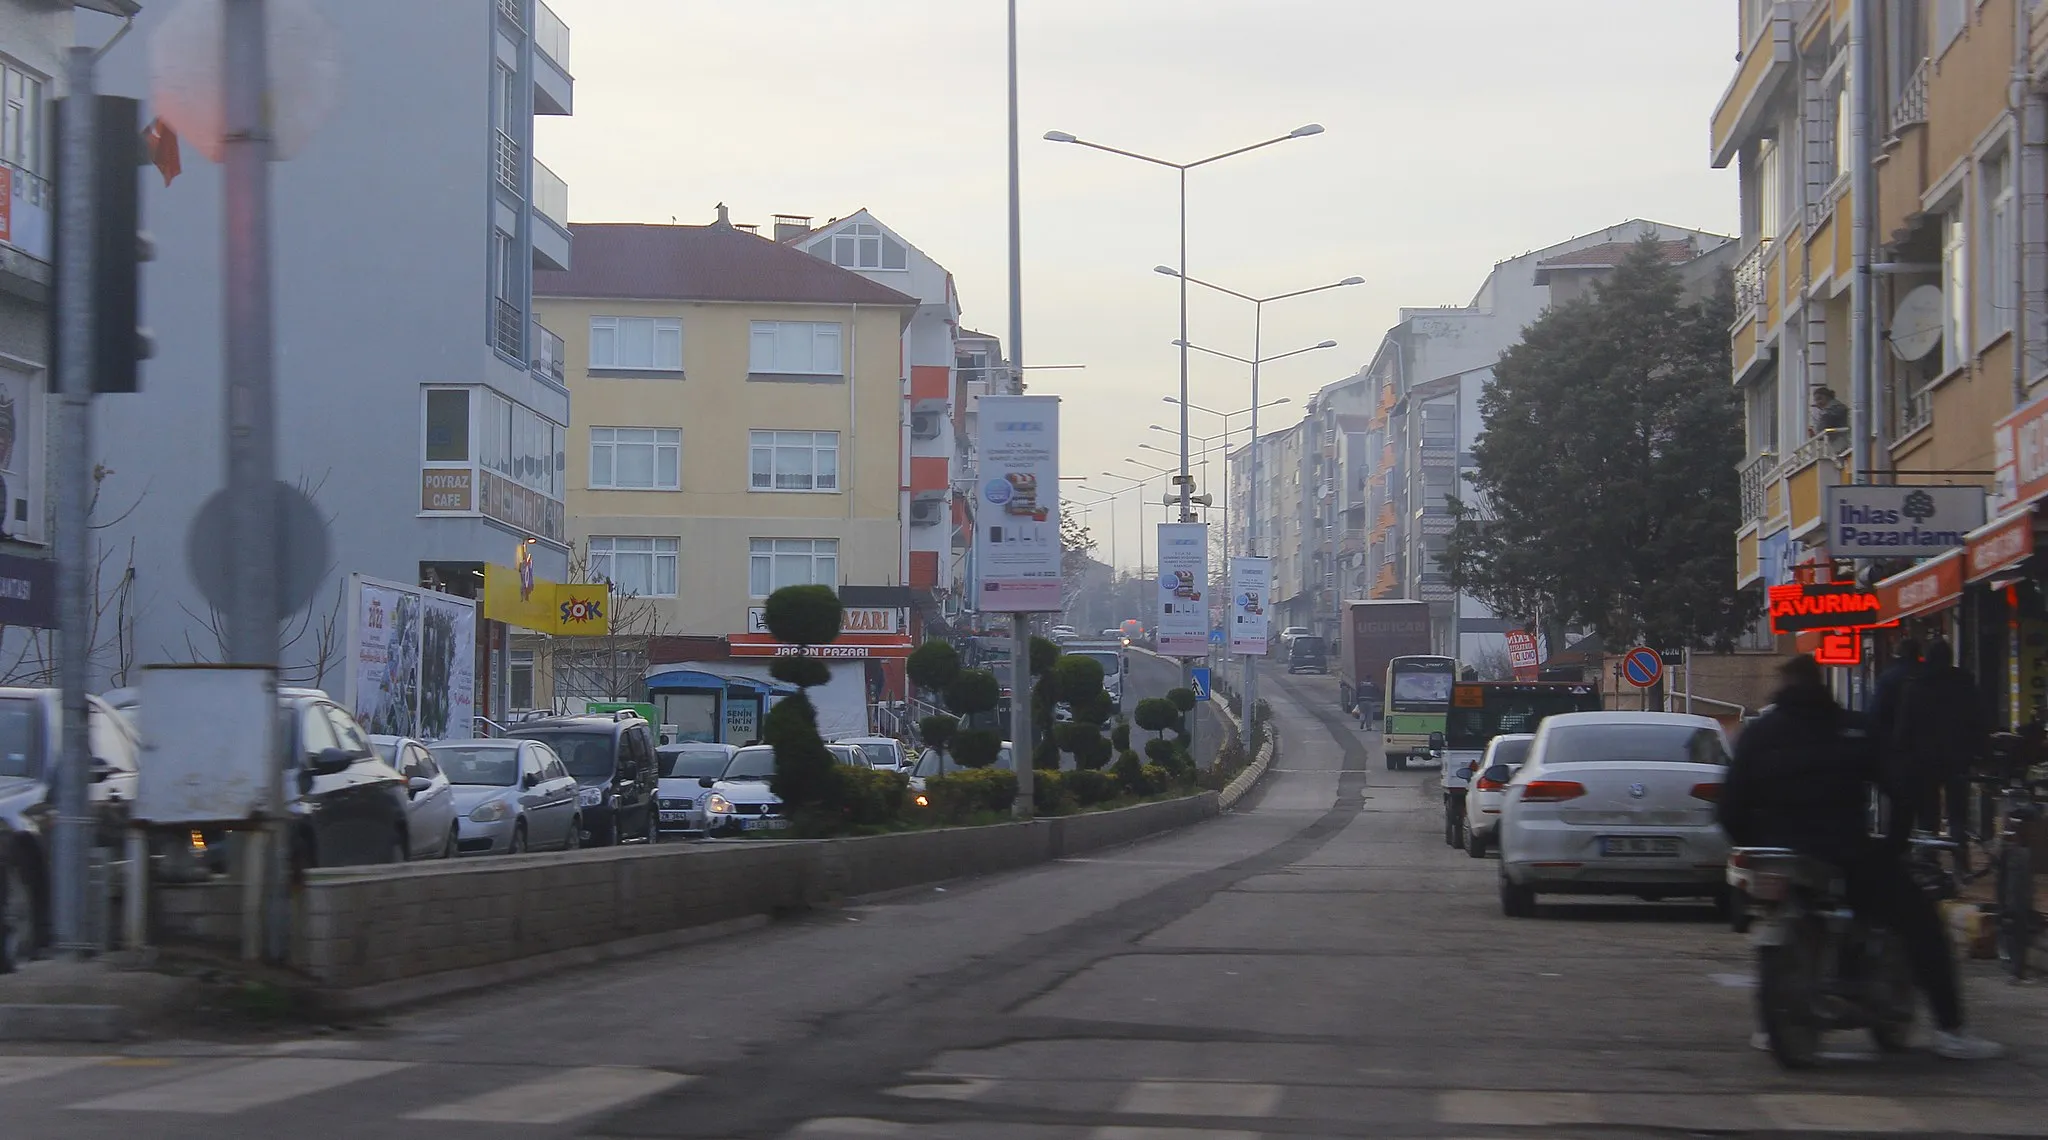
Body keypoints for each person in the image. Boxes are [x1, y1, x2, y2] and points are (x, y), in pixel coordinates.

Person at [1720, 653, 2002, 1060]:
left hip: (1776, 855)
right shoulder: (1850, 728)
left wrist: (1755, 844)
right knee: (1921, 920)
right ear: (1822, 685)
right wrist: (1893, 846)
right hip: (1845, 854)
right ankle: (1951, 1028)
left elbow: (1730, 806)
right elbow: (1900, 790)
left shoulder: (1760, 733)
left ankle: (1772, 1023)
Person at [1892, 638, 1989, 866]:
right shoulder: (1965, 684)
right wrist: (1982, 751)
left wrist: (1901, 753)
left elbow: (1904, 727)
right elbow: (1978, 720)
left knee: (1928, 813)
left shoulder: (1916, 686)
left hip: (1923, 760)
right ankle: (1961, 860)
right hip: (1958, 758)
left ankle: (1930, 860)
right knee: (1958, 813)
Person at [1869, 638, 1923, 746]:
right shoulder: (1928, 673)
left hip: (1896, 738)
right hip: (1927, 738)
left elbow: (1878, 710)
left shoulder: (1889, 676)